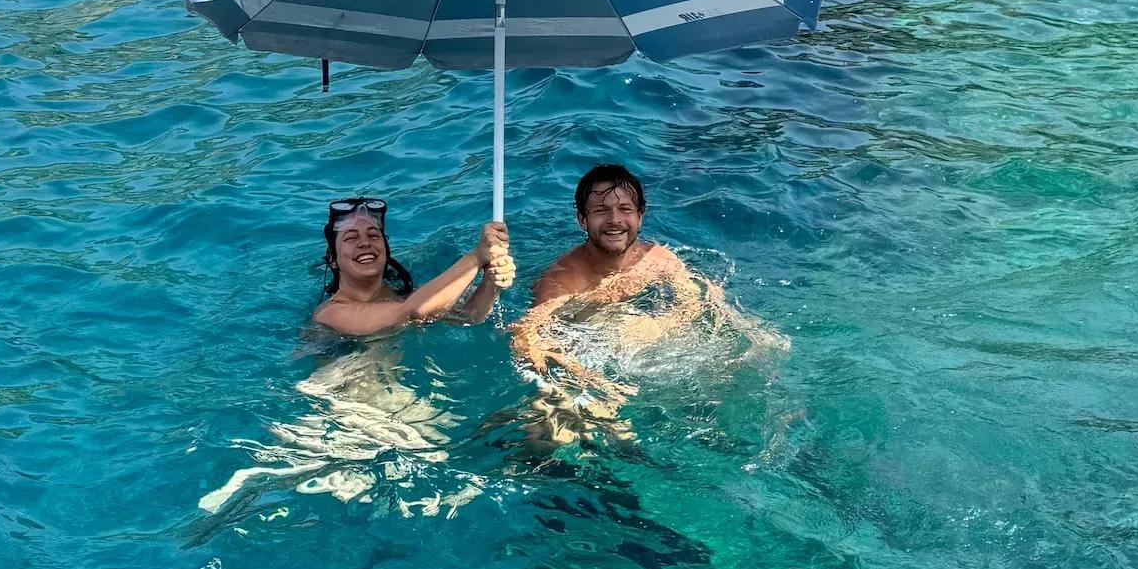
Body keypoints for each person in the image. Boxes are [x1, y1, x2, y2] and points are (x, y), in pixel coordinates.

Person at [510, 162, 784, 425]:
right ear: (583, 219)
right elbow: (525, 337)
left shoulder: (659, 260)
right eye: (601, 211)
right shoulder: (563, 281)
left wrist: (748, 330)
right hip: (590, 354)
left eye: (625, 209)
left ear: (640, 215)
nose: (615, 220)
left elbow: (699, 299)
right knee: (569, 420)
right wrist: (588, 379)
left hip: (647, 346)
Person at [311, 196, 514, 337]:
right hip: (342, 391)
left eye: (374, 235)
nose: (365, 243)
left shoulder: (405, 297)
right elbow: (412, 312)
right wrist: (478, 256)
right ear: (332, 258)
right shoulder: (330, 314)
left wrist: (491, 283)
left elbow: (467, 317)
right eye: (351, 238)